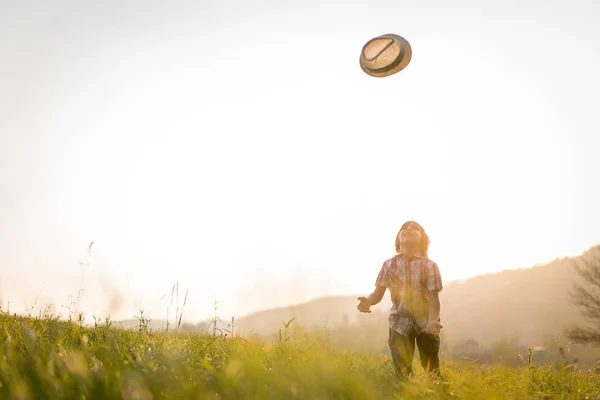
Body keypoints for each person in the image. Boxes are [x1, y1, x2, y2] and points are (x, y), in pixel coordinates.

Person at [357, 221, 443, 378]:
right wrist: (368, 301)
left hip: (426, 324)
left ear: (423, 240)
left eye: (414, 228)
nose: (408, 229)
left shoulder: (429, 266)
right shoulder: (389, 265)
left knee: (432, 371)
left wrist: (432, 321)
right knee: (402, 372)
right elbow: (378, 293)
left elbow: (433, 298)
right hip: (399, 323)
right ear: (398, 239)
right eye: (404, 228)